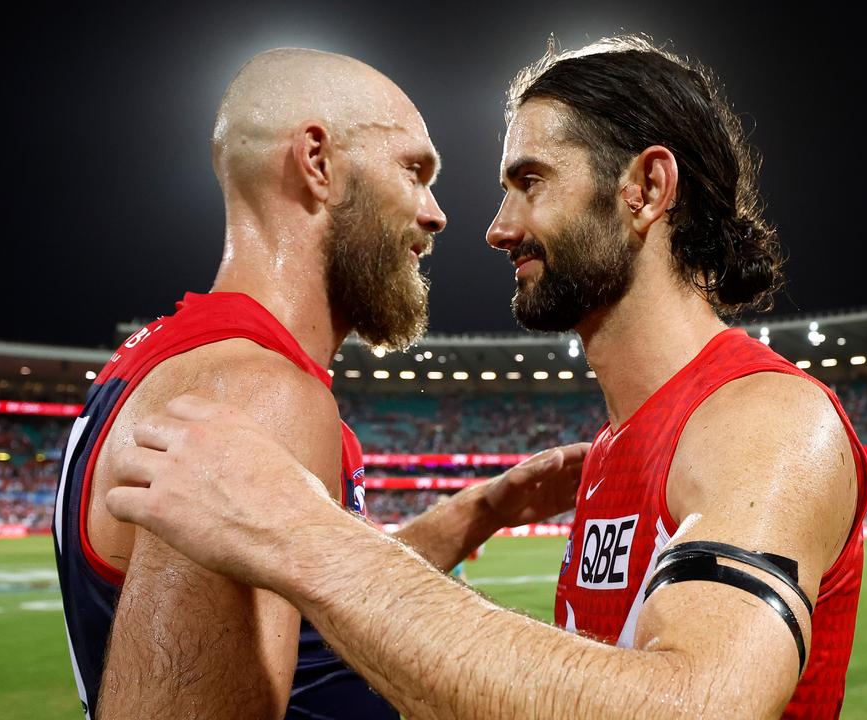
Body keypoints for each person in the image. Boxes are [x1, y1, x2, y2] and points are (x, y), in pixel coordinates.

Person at [106, 36, 867, 719]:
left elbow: (699, 706)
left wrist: (300, 532)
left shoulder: (769, 418)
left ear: (645, 187)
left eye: (530, 181)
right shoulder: (612, 449)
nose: (496, 227)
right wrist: (479, 511)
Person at [52, 47, 587, 719]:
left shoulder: (175, 359)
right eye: (414, 171)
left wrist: (481, 510)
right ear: (318, 163)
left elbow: (303, 609)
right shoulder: (259, 393)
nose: (437, 213)